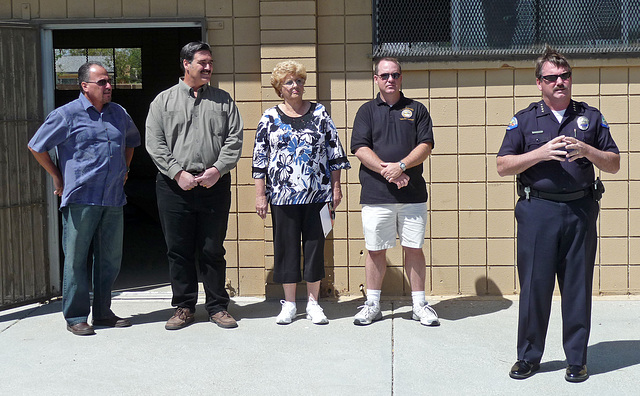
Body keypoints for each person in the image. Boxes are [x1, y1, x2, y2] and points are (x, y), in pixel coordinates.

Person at [497, 47, 620, 383]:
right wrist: (540, 153)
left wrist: (587, 150)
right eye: (551, 78)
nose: (559, 83)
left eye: (565, 76)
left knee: (577, 287)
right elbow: (502, 165)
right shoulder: (524, 120)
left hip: (580, 211)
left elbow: (613, 163)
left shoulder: (590, 117)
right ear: (539, 83)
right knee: (535, 286)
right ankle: (528, 357)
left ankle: (577, 359)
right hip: (538, 212)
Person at [28, 62, 140, 336]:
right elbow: (36, 145)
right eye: (101, 82)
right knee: (77, 259)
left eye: (109, 81)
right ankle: (76, 316)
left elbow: (131, 142)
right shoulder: (66, 115)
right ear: (85, 86)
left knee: (109, 259)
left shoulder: (119, 113)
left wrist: (125, 169)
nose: (108, 86)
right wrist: (57, 177)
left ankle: (103, 312)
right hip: (81, 198)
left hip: (113, 199)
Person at [146, 41, 243, 330]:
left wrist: (217, 169)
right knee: (179, 249)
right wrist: (177, 173)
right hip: (174, 186)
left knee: (212, 248)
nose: (208, 67)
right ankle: (184, 306)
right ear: (186, 64)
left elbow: (234, 139)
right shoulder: (163, 102)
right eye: (202, 62)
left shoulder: (224, 100)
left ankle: (217, 307)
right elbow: (155, 143)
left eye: (210, 62)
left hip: (214, 185)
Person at [253, 60, 350, 325]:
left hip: (317, 195)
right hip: (282, 196)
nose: (296, 86)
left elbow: (335, 153)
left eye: (299, 81)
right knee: (285, 248)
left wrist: (336, 187)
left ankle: (314, 304)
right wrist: (261, 195)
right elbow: (259, 159)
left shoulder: (320, 113)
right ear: (279, 88)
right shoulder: (269, 117)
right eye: (289, 82)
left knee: (315, 247)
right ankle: (289, 305)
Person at [350, 57, 439, 327]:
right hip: (376, 196)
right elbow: (359, 148)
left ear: (402, 78)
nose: (391, 79)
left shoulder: (417, 109)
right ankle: (373, 304)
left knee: (414, 248)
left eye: (396, 75)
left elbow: (426, 145)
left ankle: (419, 305)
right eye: (385, 75)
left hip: (411, 196)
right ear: (376, 79)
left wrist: (401, 166)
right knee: (375, 250)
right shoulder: (366, 111)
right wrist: (387, 172)